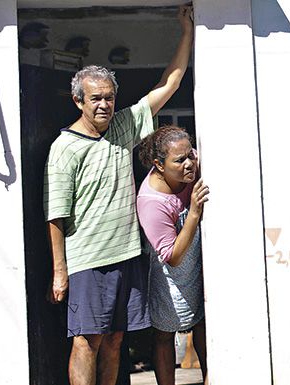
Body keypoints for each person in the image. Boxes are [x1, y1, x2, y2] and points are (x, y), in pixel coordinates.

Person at [43, 5, 194, 385]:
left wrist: (187, 31)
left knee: (115, 340)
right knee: (86, 340)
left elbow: (170, 84)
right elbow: (56, 214)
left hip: (126, 254)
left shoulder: (122, 126)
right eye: (95, 98)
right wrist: (60, 271)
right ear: (78, 101)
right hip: (88, 260)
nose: (104, 105)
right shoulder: (65, 147)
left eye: (108, 97)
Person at [136, 126, 208, 385]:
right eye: (180, 160)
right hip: (171, 275)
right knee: (165, 333)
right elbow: (172, 256)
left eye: (190, 155)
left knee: (203, 324)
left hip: (200, 264)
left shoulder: (192, 165)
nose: (189, 163)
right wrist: (194, 214)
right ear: (159, 165)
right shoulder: (151, 202)